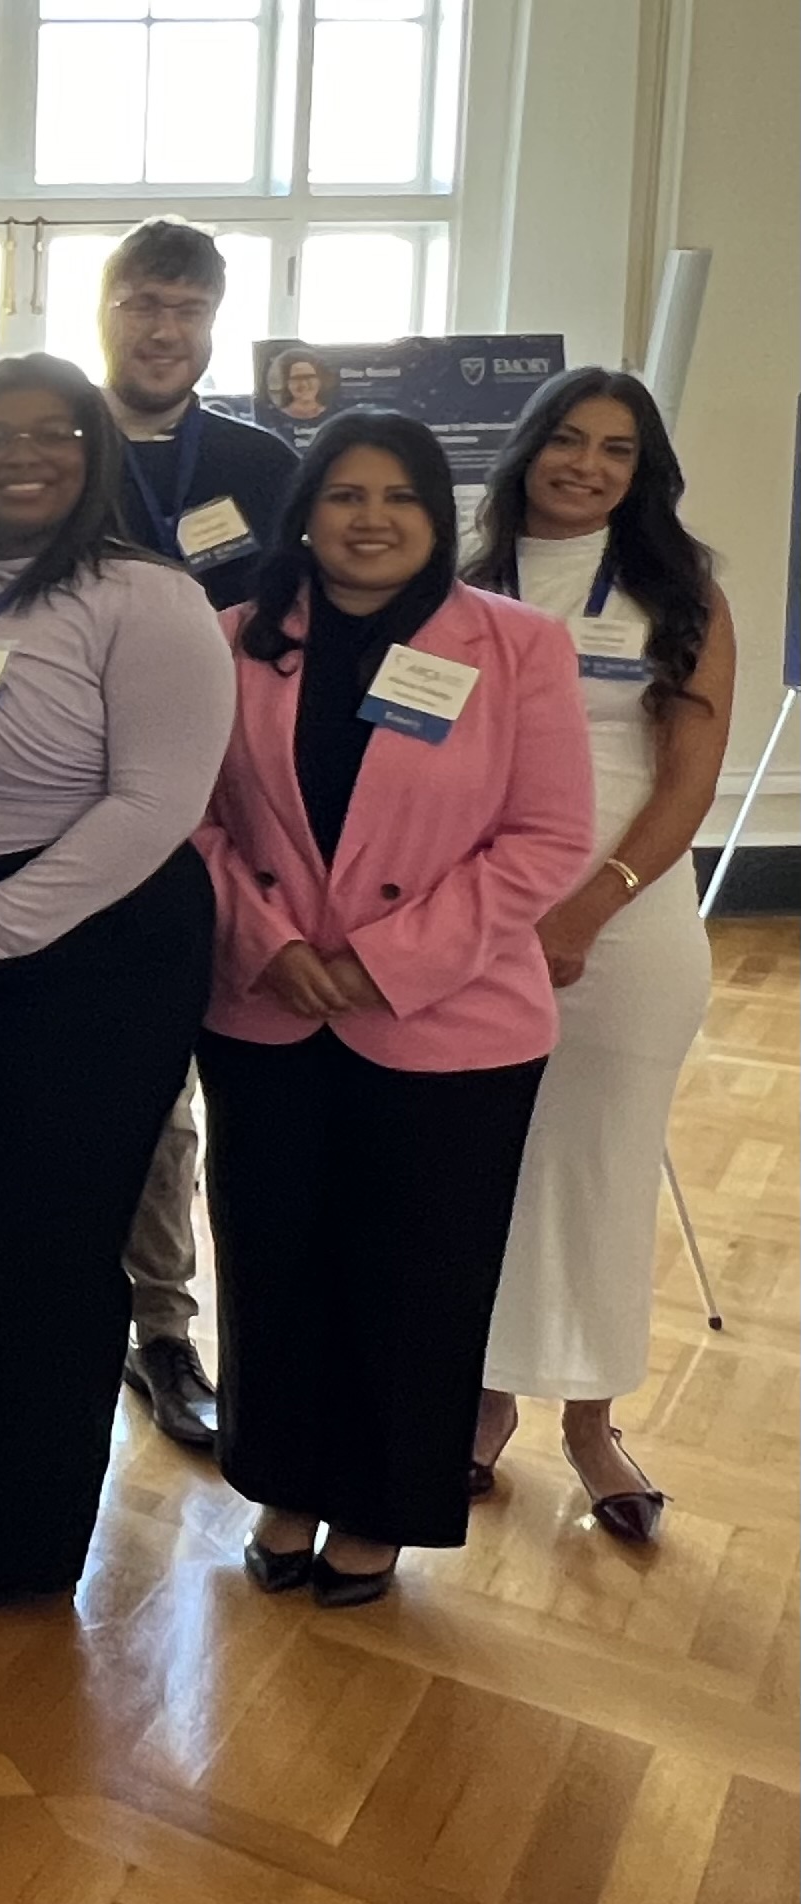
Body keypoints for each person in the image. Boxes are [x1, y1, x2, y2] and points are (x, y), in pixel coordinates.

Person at [0, 354, 233, 1611]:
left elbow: (154, 807)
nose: (20, 454)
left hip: (88, 951)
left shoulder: (146, 598)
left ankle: (10, 1535)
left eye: (51, 432)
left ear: (91, 454)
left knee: (33, 1240)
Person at [196, 410, 595, 1607]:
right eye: (342, 495)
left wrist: (383, 960)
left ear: (437, 515)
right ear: (303, 512)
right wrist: (266, 941)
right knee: (271, 1258)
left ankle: (377, 1503)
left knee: (415, 1274)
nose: (368, 519)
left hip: (448, 1021)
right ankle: (282, 1482)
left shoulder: (515, 644)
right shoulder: (232, 638)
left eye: (397, 498)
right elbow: (192, 819)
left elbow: (545, 838)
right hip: (267, 1009)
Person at [468, 370, 735, 1543]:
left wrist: (584, 911)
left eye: (614, 449)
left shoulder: (679, 592)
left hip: (624, 924)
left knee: (602, 1172)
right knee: (487, 1168)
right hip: (478, 922)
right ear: (526, 447)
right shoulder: (465, 581)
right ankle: (482, 1406)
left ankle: (591, 1422)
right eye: (566, 439)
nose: (584, 465)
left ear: (642, 471)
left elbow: (686, 782)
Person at [90, 218, 304, 1455]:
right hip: (97, 797)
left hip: (246, 802)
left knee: (239, 1081)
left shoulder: (259, 464)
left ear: (213, 321)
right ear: (104, 310)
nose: (161, 328)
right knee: (143, 1085)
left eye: (184, 307)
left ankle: (185, 1334)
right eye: (140, 302)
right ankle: (149, 1321)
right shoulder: (54, 440)